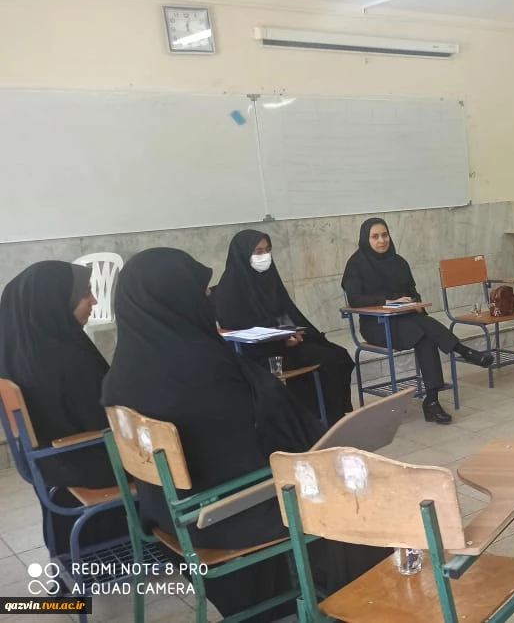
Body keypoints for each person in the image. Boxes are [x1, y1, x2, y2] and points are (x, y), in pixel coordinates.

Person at [103, 248, 387, 621]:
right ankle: (372, 602)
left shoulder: (120, 374)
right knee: (359, 496)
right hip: (224, 516)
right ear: (176, 300)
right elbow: (264, 447)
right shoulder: (204, 370)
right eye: (201, 291)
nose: (209, 298)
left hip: (171, 514)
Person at [0, 261, 125, 554]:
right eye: (85, 294)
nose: (94, 301)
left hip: (48, 461)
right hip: (83, 459)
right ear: (56, 302)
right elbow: (104, 416)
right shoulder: (65, 359)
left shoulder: (19, 352)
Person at [341, 218, 493, 425]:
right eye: (375, 237)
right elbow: (355, 299)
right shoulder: (356, 264)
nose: (382, 240)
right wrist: (387, 301)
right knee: (423, 331)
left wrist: (416, 303)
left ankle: (432, 400)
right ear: (365, 239)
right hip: (376, 325)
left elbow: (412, 292)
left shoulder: (398, 262)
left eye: (385, 235)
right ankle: (463, 353)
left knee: (424, 336)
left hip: (406, 319)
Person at [214, 229, 355, 427]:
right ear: (243, 254)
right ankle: (324, 422)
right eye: (258, 251)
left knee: (339, 355)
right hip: (255, 355)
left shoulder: (269, 279)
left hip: (282, 346)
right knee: (327, 360)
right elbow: (237, 330)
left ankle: (331, 417)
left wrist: (293, 332)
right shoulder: (229, 288)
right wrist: (279, 338)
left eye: (267, 250)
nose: (264, 256)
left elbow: (285, 313)